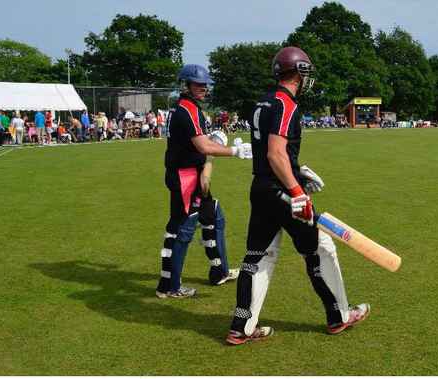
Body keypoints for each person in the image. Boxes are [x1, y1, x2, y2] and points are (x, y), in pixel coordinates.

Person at [226, 47, 370, 345]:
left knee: (258, 256)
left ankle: (241, 327)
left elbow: (273, 156)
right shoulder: (286, 104)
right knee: (319, 248)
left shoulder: (262, 102)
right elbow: (275, 153)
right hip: (282, 192)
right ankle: (339, 316)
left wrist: (297, 170)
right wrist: (296, 190)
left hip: (262, 188)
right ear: (299, 73)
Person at [156, 64, 253, 299]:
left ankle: (218, 272)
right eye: (198, 84)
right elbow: (201, 146)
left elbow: (200, 142)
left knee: (214, 217)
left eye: (205, 84)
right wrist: (234, 151)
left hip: (192, 172)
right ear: (185, 85)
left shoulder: (190, 108)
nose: (204, 88)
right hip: (185, 176)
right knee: (182, 229)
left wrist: (215, 143)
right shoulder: (186, 109)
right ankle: (169, 286)